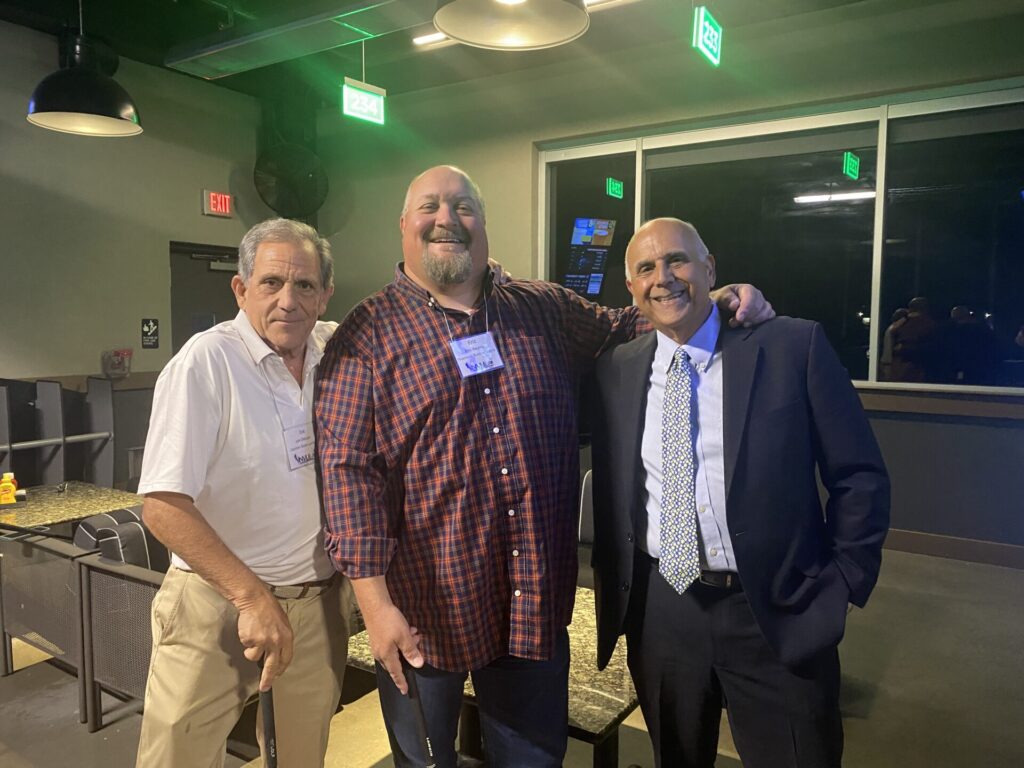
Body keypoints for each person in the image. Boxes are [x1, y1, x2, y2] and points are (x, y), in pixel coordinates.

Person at [314, 166, 774, 768]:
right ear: (404, 224)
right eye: (430, 207)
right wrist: (375, 609)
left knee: (533, 761)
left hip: (529, 604)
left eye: (463, 206)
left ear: (484, 223)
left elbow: (628, 324)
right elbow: (347, 477)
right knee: (422, 762)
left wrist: (712, 299)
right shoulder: (366, 335)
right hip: (423, 613)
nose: (447, 219)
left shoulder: (542, 308)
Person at [589, 218, 890, 768]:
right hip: (663, 611)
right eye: (646, 268)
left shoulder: (792, 347)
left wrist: (844, 579)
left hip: (775, 607)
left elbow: (859, 475)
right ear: (631, 288)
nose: (663, 277)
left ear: (709, 269)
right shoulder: (618, 369)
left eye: (678, 260)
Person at [135, 218, 354, 767]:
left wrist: (476, 281)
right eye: (271, 283)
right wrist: (251, 598)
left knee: (301, 757)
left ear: (325, 294)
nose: (288, 301)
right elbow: (162, 505)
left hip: (316, 605)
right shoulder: (205, 363)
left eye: (305, 285)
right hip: (216, 604)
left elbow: (407, 325)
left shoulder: (332, 348)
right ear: (241, 288)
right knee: (177, 757)